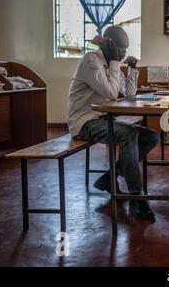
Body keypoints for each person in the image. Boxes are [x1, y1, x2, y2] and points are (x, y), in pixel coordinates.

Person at [67, 25, 159, 220]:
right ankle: (137, 197)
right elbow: (110, 92)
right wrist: (116, 63)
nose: (124, 53)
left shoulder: (111, 63)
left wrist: (132, 70)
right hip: (85, 122)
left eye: (126, 50)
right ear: (109, 46)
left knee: (151, 136)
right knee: (129, 134)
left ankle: (110, 178)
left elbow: (129, 93)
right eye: (121, 49)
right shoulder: (91, 60)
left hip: (104, 120)